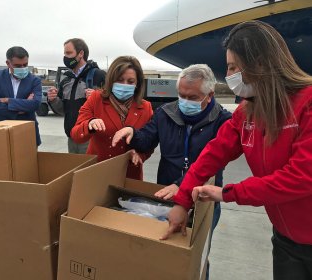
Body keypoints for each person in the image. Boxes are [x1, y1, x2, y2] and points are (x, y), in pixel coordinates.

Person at [162, 20, 312, 280]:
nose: (229, 75)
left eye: (233, 67)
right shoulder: (246, 112)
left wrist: (229, 193)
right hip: (287, 240)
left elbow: (301, 176)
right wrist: (182, 201)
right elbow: (213, 153)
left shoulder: (306, 103)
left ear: (260, 63)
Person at [112, 64, 231, 279]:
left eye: (192, 97)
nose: (184, 101)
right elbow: (148, 137)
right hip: (167, 197)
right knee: (166, 254)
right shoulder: (166, 113)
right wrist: (133, 132)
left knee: (197, 257)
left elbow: (214, 163)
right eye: (181, 95)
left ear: (209, 95)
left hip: (204, 200)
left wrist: (182, 184)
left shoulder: (223, 121)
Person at [70, 56, 153, 180]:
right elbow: (76, 134)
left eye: (130, 82)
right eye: (119, 80)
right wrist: (89, 124)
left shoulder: (145, 107)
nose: (124, 85)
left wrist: (140, 155)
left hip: (129, 175)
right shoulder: (96, 99)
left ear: (138, 83)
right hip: (98, 173)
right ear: (110, 80)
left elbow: (150, 141)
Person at [47, 38, 106, 153]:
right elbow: (63, 111)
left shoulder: (98, 75)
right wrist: (53, 100)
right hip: (72, 137)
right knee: (75, 170)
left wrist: (97, 97)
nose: (65, 57)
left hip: (92, 138)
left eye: (69, 53)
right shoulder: (66, 81)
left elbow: (113, 105)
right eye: (64, 53)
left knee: (89, 171)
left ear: (81, 54)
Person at [0, 46, 42, 146]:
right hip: (1, 129)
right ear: (8, 63)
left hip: (27, 132)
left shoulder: (34, 80)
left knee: (28, 161)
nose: (22, 68)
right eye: (17, 65)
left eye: (25, 65)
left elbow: (35, 104)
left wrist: (8, 101)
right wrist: (22, 109)